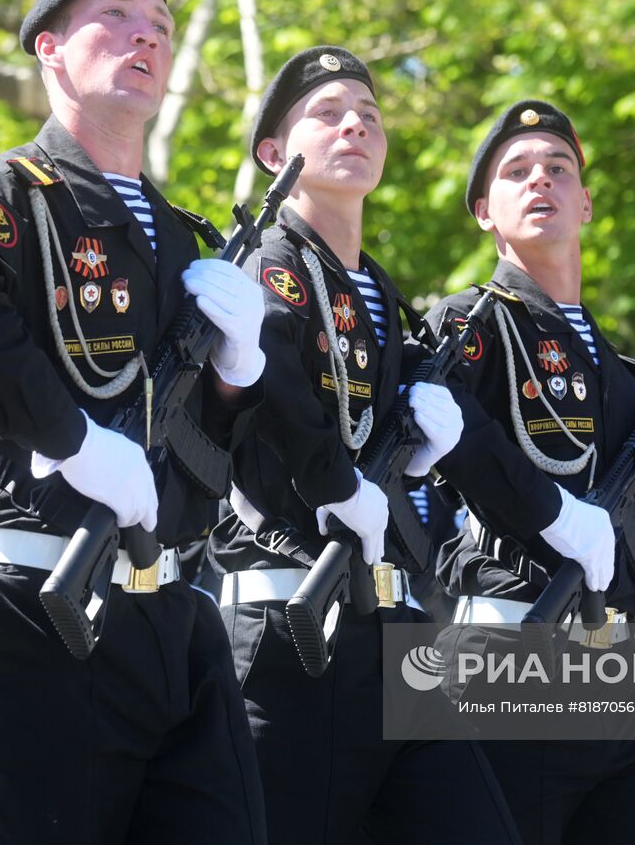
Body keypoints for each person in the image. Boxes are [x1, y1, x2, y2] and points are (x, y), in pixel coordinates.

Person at [0, 0, 268, 844]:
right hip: (34, 598)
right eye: (114, 15)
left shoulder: (190, 241)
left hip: (169, 609)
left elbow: (201, 458)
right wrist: (70, 435)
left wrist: (235, 378)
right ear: (48, 47)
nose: (143, 36)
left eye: (159, 27)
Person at [208, 45, 521, 843]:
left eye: (370, 115)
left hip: (389, 628)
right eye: (328, 113)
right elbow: (275, 402)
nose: (355, 124)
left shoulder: (378, 291)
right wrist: (338, 483)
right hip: (289, 623)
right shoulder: (260, 266)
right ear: (275, 155)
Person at [424, 99, 635, 843]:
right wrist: (554, 512)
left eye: (559, 169)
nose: (540, 180)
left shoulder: (620, 370)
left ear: (585, 201)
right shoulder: (469, 324)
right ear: (485, 211)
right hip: (508, 656)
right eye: (516, 172)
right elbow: (459, 452)